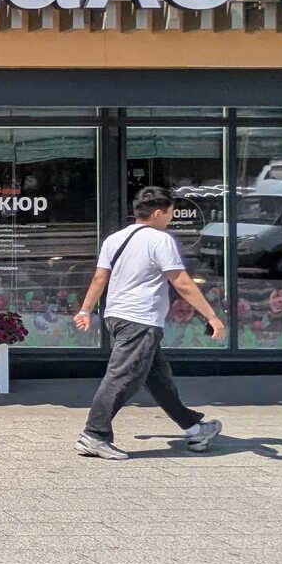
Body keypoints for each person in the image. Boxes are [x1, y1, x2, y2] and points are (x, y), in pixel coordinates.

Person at [72, 186, 225, 460]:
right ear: (157, 213)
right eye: (170, 213)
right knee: (122, 378)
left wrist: (85, 310)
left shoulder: (114, 239)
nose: (171, 218)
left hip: (117, 316)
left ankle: (194, 429)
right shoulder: (159, 240)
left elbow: (99, 278)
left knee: (158, 379)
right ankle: (94, 435)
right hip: (140, 320)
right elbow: (181, 282)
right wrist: (211, 316)